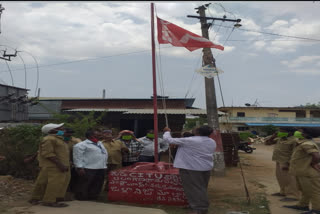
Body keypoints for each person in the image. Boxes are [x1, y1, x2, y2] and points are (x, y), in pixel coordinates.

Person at [163, 125, 216, 214]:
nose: (193, 129)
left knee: (194, 188)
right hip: (205, 167)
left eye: (196, 128)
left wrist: (167, 132)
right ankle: (194, 205)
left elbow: (169, 140)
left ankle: (200, 209)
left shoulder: (191, 140)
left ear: (198, 132)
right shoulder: (211, 141)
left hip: (192, 168)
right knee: (200, 187)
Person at [29, 123, 70, 208]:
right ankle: (49, 201)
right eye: (60, 128)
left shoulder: (59, 139)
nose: (63, 129)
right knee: (54, 184)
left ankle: (35, 198)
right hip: (54, 166)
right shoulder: (49, 139)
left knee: (42, 182)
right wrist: (60, 165)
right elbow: (48, 154)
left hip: (56, 165)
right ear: (52, 130)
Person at [284, 129, 320, 213]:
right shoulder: (302, 143)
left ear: (305, 134)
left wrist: (313, 164)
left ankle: (317, 209)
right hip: (302, 172)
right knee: (305, 190)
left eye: (300, 131)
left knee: (314, 191)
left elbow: (316, 156)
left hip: (308, 173)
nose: (297, 132)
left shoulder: (307, 144)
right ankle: (303, 205)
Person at [73, 129, 108, 201]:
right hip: (88, 168)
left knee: (97, 183)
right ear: (91, 136)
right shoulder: (81, 145)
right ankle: (81, 198)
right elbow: (77, 157)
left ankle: (93, 197)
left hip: (100, 167)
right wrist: (79, 167)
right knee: (85, 184)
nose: (100, 135)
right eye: (98, 134)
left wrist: (104, 165)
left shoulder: (99, 143)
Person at [271, 129, 300, 201]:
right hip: (278, 160)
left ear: (289, 132)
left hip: (287, 162)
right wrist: (273, 136)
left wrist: (289, 163)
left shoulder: (294, 140)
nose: (279, 132)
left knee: (290, 179)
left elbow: (295, 153)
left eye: (282, 131)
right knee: (281, 178)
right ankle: (283, 192)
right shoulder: (280, 138)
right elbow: (267, 143)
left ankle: (293, 196)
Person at [61, 128, 82, 200]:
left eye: (70, 133)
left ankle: (69, 194)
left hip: (72, 163)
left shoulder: (75, 140)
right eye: (67, 133)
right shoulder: (59, 139)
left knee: (71, 179)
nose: (68, 135)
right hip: (61, 162)